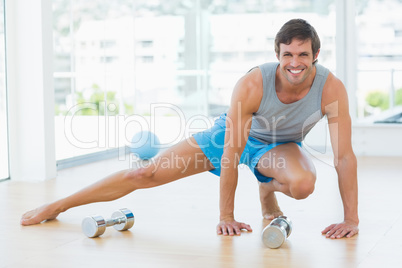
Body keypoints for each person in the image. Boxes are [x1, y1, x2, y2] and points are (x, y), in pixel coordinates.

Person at [21, 18, 359, 239]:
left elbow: (344, 157)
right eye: (288, 55)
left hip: (279, 147)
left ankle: (267, 191)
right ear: (278, 53)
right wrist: (226, 215)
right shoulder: (253, 83)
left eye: (303, 54)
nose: (295, 63)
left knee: (303, 185)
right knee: (145, 175)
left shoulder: (331, 89)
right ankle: (58, 206)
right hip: (227, 137)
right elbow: (231, 153)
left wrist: (351, 220)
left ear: (316, 54)